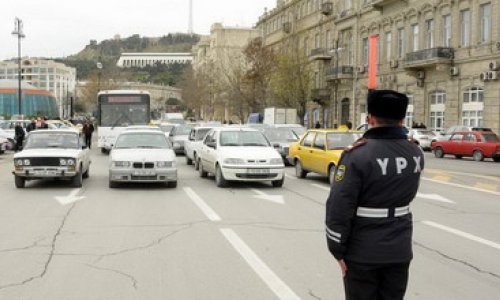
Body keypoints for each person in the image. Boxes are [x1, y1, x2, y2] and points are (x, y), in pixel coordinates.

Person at [325, 90, 424, 300]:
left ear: (370, 118)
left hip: (363, 252)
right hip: (400, 249)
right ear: (402, 119)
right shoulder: (415, 152)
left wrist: (337, 249)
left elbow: (339, 206)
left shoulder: (357, 154)